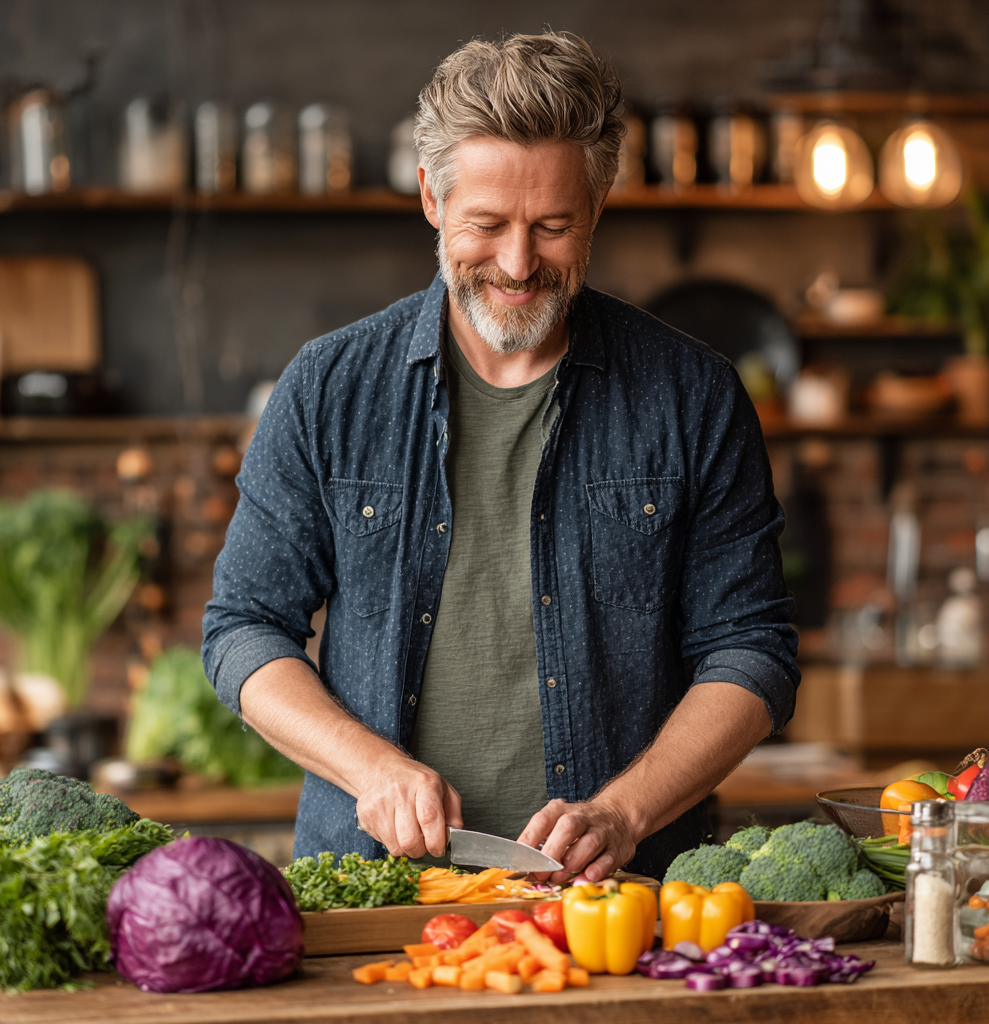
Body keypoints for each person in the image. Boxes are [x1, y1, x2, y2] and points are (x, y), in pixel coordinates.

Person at [202, 31, 799, 883]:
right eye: (487, 224)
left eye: (554, 227)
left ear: (596, 207)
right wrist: (367, 766)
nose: (518, 264)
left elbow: (751, 648)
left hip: (620, 901)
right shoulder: (328, 386)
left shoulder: (693, 393)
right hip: (377, 900)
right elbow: (244, 630)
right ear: (430, 199)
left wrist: (623, 812)